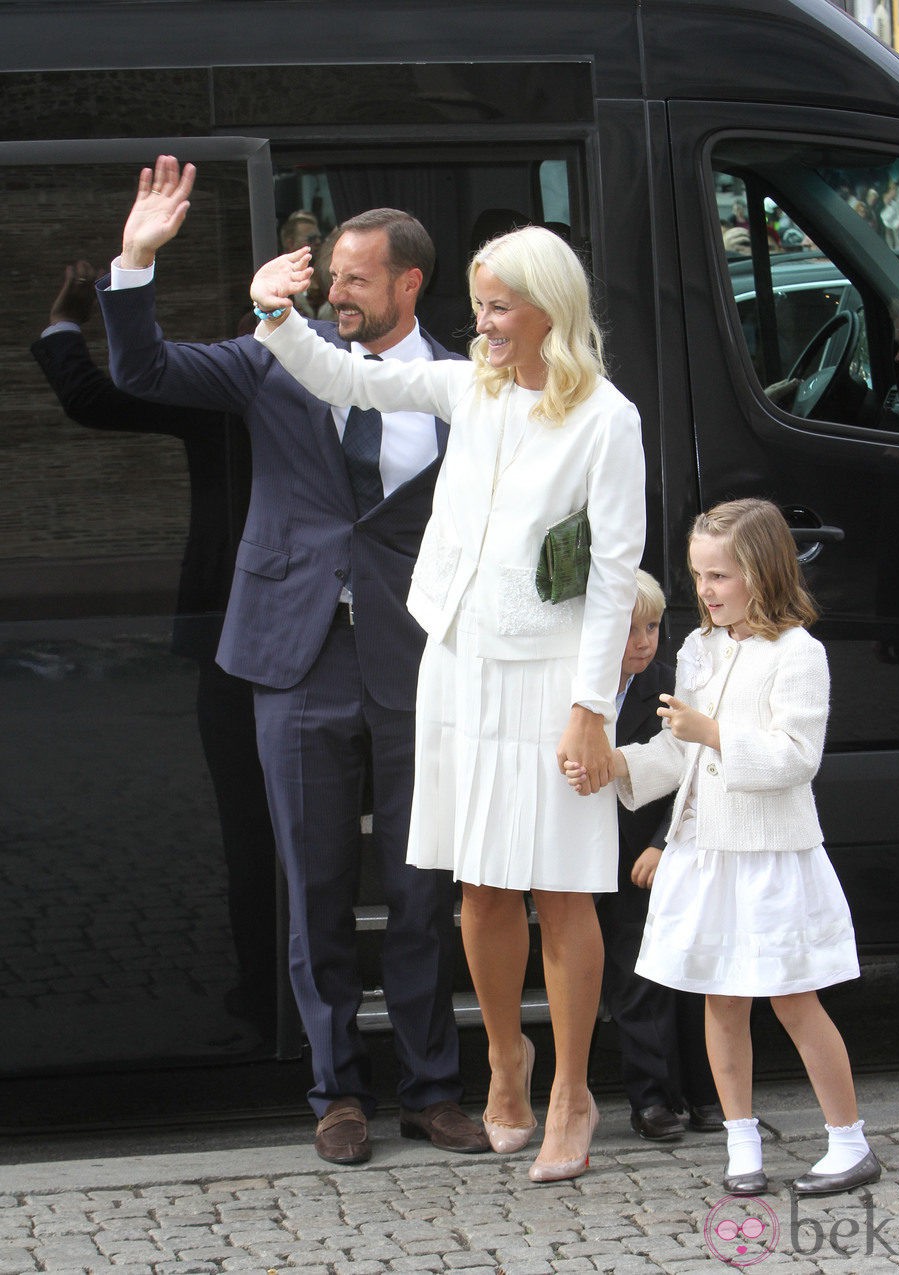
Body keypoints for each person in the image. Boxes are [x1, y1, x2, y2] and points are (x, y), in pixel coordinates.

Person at [96, 155, 488, 1165]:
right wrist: (136, 260)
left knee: (420, 892)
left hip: (417, 662)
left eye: (355, 278)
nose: (335, 293)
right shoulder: (277, 353)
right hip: (295, 657)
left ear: (408, 283)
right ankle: (336, 1093)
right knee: (314, 890)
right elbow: (143, 373)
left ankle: (432, 1090)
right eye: (330, 277)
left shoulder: (464, 384)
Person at [248, 219, 646, 1182]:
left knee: (562, 887)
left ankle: (571, 1093)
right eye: (478, 307)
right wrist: (277, 314)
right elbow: (345, 379)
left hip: (554, 679)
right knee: (480, 885)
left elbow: (611, 578)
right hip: (457, 668)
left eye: (499, 307)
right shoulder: (465, 385)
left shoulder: (608, 419)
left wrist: (592, 706)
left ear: (550, 308)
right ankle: (506, 1059)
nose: (484, 324)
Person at [567, 498, 880, 1199]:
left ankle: (849, 1141)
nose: (704, 590)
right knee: (721, 999)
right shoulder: (698, 647)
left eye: (719, 575)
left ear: (761, 572)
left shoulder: (798, 653)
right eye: (699, 574)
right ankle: (742, 1144)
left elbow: (797, 757)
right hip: (706, 851)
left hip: (771, 856)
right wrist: (616, 764)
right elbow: (678, 751)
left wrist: (712, 733)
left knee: (795, 999)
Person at [32, 260, 278, 1040]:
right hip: (266, 633)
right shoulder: (313, 391)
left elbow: (91, 397)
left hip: (234, 636)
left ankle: (265, 992)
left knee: (249, 827)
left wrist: (66, 319)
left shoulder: (226, 394)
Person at [596, 570, 722, 1143]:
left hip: (649, 857)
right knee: (628, 981)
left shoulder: (670, 687)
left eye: (651, 628)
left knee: (668, 978)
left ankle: (690, 1097)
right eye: (629, 630)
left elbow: (693, 774)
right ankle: (651, 1097)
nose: (643, 642)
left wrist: (661, 843)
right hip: (592, 857)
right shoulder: (578, 693)